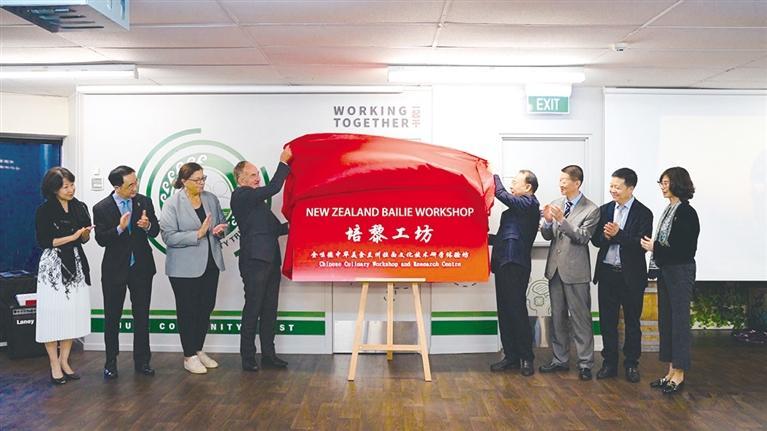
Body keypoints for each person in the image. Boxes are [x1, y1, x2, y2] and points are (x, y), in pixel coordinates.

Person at [159, 162, 227, 374]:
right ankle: (189, 356)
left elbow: (222, 223)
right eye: (197, 180)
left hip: (211, 263)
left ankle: (198, 349)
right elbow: (168, 237)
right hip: (183, 268)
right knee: (187, 310)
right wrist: (197, 234)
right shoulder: (172, 204)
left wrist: (219, 230)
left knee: (206, 308)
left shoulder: (211, 199)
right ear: (183, 181)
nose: (201, 183)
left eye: (203, 178)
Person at [93, 165, 159, 379]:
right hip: (115, 270)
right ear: (116, 187)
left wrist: (147, 226)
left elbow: (155, 231)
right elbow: (101, 239)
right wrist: (120, 228)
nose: (135, 188)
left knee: (142, 316)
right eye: (130, 185)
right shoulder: (101, 208)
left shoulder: (144, 202)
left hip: (141, 268)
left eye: (136, 182)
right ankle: (111, 362)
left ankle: (143, 361)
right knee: (112, 317)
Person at [231, 147, 293, 371]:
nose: (258, 178)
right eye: (253, 175)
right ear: (241, 179)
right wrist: (284, 163)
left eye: (257, 174)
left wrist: (299, 223)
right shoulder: (242, 196)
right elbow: (274, 187)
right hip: (254, 262)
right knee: (253, 309)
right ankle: (248, 357)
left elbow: (276, 230)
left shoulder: (257, 205)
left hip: (270, 261)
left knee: (269, 311)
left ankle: (269, 355)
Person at [590, 168, 653, 383]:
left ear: (630, 188)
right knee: (607, 321)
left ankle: (631, 363)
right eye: (611, 186)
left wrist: (618, 234)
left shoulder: (643, 213)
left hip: (631, 276)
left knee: (632, 322)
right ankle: (609, 362)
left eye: (617, 187)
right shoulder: (605, 210)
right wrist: (607, 237)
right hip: (607, 273)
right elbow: (596, 241)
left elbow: (641, 245)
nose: (613, 190)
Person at [641, 167, 699, 395]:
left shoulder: (686, 212)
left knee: (679, 323)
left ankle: (680, 374)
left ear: (678, 184)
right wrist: (655, 248)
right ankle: (670, 371)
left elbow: (685, 249)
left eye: (666, 183)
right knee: (667, 322)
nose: (663, 187)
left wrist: (655, 247)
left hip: (680, 272)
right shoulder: (669, 209)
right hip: (666, 271)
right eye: (662, 183)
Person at [539, 165, 599, 380]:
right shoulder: (556, 203)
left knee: (581, 319)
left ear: (577, 183)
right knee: (557, 318)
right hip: (555, 270)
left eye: (565, 180)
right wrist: (547, 222)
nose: (561, 184)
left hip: (576, 272)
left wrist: (561, 221)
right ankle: (560, 359)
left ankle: (585, 363)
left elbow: (582, 237)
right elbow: (548, 236)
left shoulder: (591, 209)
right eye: (560, 180)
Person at [34, 167, 93, 385]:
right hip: (53, 265)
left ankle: (65, 361)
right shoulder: (44, 210)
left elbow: (84, 239)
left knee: (71, 314)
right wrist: (72, 237)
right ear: (54, 189)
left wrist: (84, 235)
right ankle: (54, 364)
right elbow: (45, 242)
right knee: (52, 314)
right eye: (65, 186)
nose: (70, 189)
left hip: (76, 263)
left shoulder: (80, 207)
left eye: (72, 184)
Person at [489, 170, 540, 377]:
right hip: (502, 263)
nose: (511, 186)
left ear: (528, 187)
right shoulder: (509, 213)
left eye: (515, 182)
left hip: (516, 264)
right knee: (505, 312)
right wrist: (482, 237)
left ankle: (526, 357)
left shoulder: (530, 204)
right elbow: (503, 238)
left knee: (517, 311)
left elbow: (502, 194)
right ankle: (511, 356)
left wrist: (492, 175)